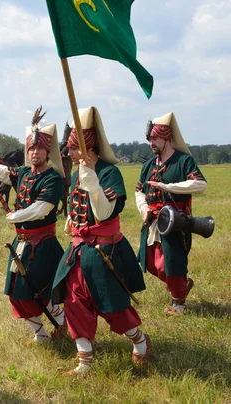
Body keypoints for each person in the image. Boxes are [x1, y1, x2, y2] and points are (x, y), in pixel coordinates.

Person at [51, 106, 150, 374]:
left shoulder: (109, 173)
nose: (68, 154)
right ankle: (85, 361)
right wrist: (71, 221)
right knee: (73, 301)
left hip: (104, 251)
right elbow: (76, 207)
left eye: (73, 149)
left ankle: (140, 342)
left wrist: (90, 178)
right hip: (78, 250)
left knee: (112, 306)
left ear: (88, 148)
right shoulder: (75, 175)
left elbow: (105, 212)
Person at [0, 122, 67, 343]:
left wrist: (15, 216)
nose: (34, 152)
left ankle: (63, 321)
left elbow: (42, 208)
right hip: (21, 243)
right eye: (31, 148)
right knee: (16, 293)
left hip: (43, 245)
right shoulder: (23, 173)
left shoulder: (53, 178)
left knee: (37, 292)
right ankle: (41, 335)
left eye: (39, 149)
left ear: (48, 152)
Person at [135, 112, 207, 315]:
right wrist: (144, 208)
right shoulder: (149, 165)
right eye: (149, 139)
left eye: (155, 139)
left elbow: (201, 184)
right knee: (149, 261)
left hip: (175, 221)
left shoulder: (183, 160)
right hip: (153, 220)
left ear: (167, 138)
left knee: (172, 262)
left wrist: (169, 187)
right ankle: (182, 286)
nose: (151, 143)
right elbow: (139, 190)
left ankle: (178, 305)